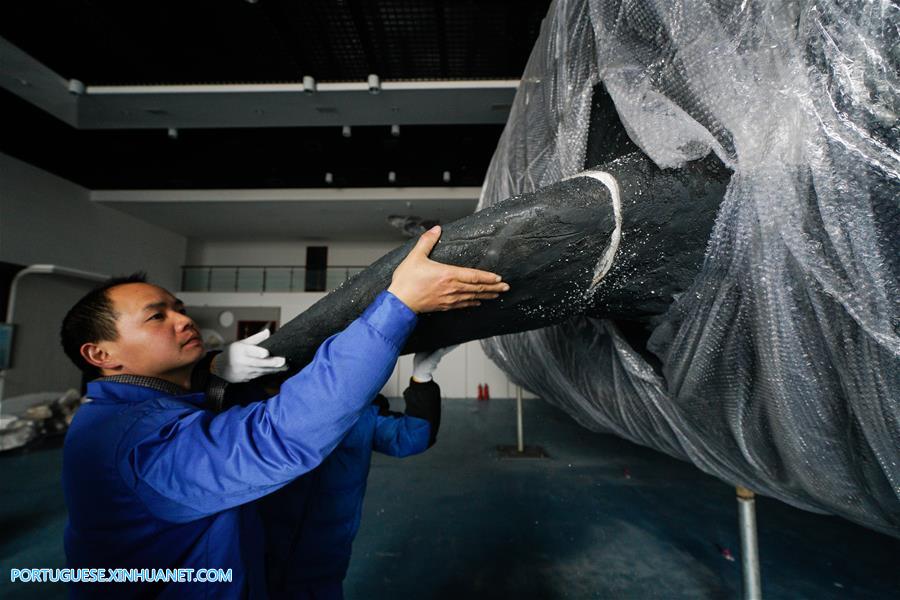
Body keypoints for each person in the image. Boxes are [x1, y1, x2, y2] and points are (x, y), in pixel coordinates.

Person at [59, 226, 508, 598]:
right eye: (157, 317)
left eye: (179, 308)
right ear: (100, 353)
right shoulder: (135, 440)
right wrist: (398, 306)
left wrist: (212, 373)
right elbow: (276, 437)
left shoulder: (145, 413)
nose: (184, 319)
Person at [258, 346, 456, 599]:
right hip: (258, 555)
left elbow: (411, 438)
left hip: (323, 563)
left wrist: (422, 377)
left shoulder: (360, 417)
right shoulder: (266, 411)